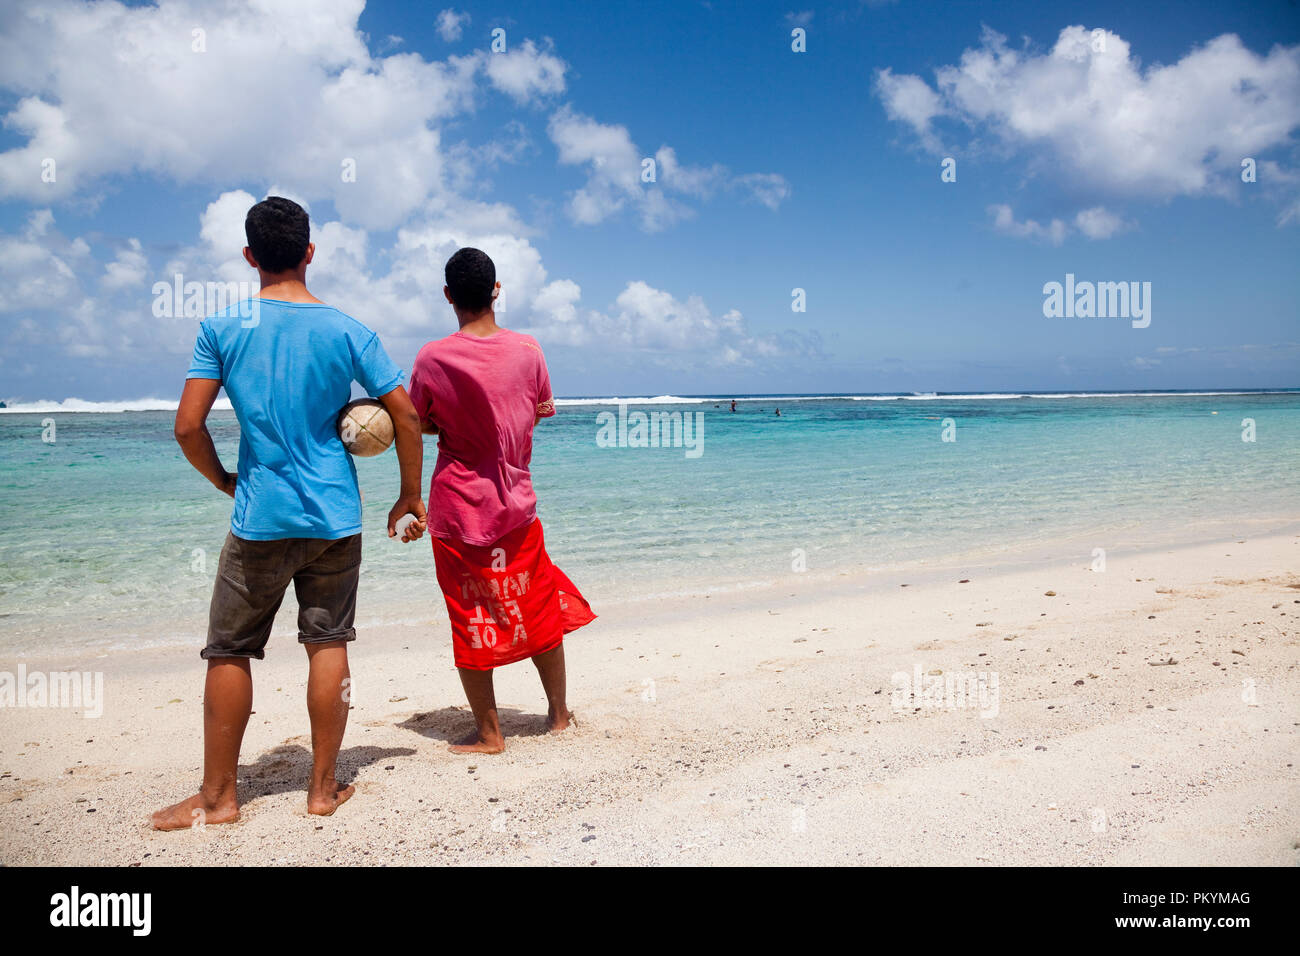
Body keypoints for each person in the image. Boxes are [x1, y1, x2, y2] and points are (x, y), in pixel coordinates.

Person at [151, 197, 426, 831]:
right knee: (327, 642)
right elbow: (407, 415)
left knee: (229, 650)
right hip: (335, 518)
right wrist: (411, 495)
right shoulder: (348, 329)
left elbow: (187, 427)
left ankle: (219, 798)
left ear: (250, 257)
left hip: (259, 518)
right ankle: (323, 790)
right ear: (309, 251)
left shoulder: (222, 328)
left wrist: (224, 479)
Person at [409, 247, 595, 755]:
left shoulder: (431, 357)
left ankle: (491, 734)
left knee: (469, 613)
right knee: (537, 606)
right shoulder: (529, 350)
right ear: (496, 290)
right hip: (516, 503)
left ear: (448, 296)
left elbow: (417, 421)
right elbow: (531, 413)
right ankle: (557, 715)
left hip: (458, 507)